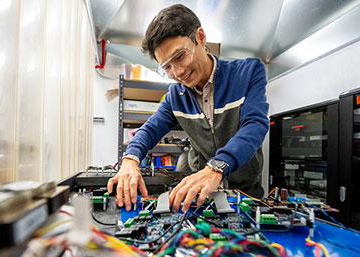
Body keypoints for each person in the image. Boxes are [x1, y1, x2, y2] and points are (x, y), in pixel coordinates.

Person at [107, 4, 269, 213]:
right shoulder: (176, 96)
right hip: (199, 199)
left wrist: (217, 167)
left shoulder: (248, 72)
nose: (178, 72)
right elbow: (148, 131)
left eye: (180, 56)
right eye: (167, 67)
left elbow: (255, 125)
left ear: (200, 37)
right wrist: (130, 160)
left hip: (246, 197)